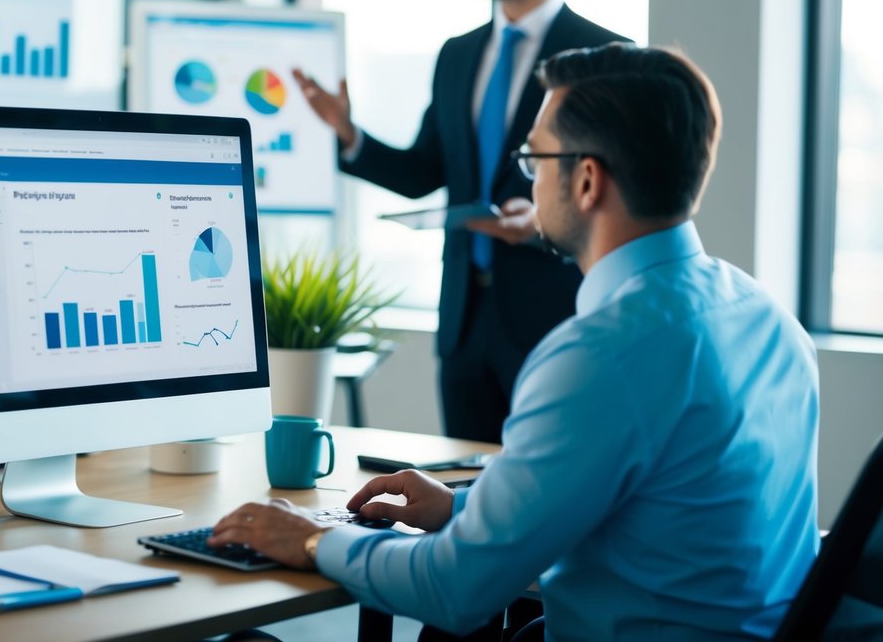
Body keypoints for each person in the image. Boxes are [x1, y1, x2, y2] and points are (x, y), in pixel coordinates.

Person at [214, 44, 821, 641]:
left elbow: (454, 589)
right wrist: (464, 507)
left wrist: (313, 539)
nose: (528, 180)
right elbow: (653, 503)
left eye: (535, 160)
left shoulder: (601, 355)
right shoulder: (768, 319)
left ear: (586, 181)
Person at [295, 0, 627, 442]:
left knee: (544, 499)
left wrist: (545, 225)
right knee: (464, 493)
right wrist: (349, 135)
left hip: (553, 316)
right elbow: (425, 172)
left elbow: (616, 191)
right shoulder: (457, 56)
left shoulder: (603, 56)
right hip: (464, 327)